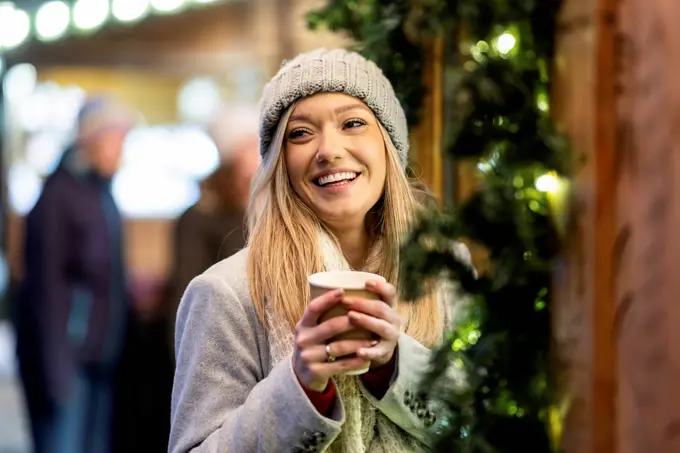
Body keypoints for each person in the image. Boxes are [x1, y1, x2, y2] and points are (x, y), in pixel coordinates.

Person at [169, 48, 472, 452]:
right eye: (300, 133)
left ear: (389, 146)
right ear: (280, 161)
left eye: (352, 123)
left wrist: (396, 366)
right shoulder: (227, 293)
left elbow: (479, 429)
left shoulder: (444, 270)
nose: (328, 149)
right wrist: (300, 388)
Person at [14, 96, 137, 453]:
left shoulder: (101, 192)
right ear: (91, 139)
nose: (121, 150)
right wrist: (56, 373)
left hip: (100, 355)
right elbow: (46, 292)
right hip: (67, 364)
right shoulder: (59, 197)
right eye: (117, 139)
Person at [166, 104, 260, 341]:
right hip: (216, 341)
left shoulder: (261, 209)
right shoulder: (199, 218)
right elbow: (186, 300)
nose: (260, 155)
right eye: (250, 146)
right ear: (233, 156)